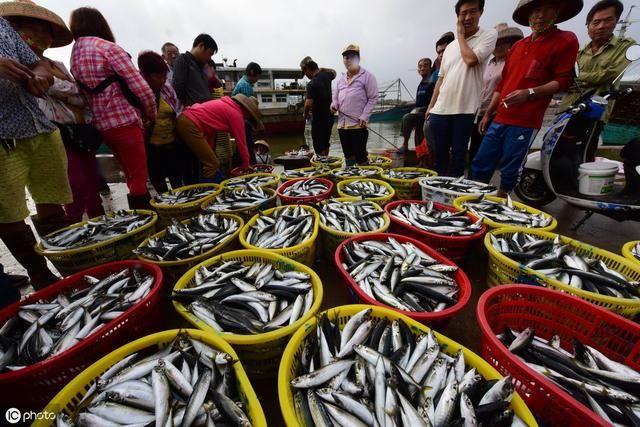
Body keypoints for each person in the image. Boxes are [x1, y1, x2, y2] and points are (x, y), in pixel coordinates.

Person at [4, 2, 105, 225]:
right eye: (33, 30)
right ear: (17, 31)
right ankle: (72, 232)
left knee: (91, 184)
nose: (40, 36)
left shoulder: (56, 63)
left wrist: (52, 84)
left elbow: (78, 93)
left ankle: (103, 229)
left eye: (44, 31)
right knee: (73, 187)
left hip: (77, 132)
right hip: (49, 131)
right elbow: (60, 90)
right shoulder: (14, 63)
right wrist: (56, 86)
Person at [471, 0, 581, 197]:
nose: (540, 15)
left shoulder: (566, 40)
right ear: (529, 16)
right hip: (499, 117)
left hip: (525, 122)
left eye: (547, 8)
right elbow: (502, 85)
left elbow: (563, 81)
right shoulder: (518, 47)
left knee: (510, 169)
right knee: (481, 162)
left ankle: (501, 202)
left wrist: (530, 93)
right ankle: (474, 200)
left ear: (556, 12)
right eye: (536, 10)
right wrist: (488, 114)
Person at [0, 8, 72, 289]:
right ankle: (40, 274)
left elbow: (37, 63)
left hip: (39, 128)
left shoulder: (3, 26)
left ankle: (67, 265)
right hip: (3, 137)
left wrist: (40, 76)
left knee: (52, 201)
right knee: (9, 213)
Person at [69, 7, 157, 209]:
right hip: (125, 122)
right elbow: (141, 87)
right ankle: (143, 219)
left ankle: (139, 217)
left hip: (103, 127)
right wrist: (152, 113)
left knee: (129, 173)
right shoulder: (108, 48)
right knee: (138, 176)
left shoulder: (75, 54)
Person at [426, 0, 497, 177]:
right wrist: (430, 107)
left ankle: (453, 196)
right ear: (457, 16)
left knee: (458, 157)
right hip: (440, 111)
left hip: (464, 110)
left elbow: (471, 60)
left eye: (472, 11)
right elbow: (441, 80)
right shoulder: (450, 47)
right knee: (440, 157)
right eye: (463, 13)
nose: (467, 17)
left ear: (481, 12)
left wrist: (461, 35)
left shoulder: (488, 35)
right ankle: (438, 194)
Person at [559, 0, 635, 123]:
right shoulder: (579, 53)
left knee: (587, 142)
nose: (601, 26)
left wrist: (577, 77)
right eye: (596, 22)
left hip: (595, 113)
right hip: (567, 111)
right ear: (588, 26)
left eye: (608, 20)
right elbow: (567, 80)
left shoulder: (626, 47)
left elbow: (609, 75)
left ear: (616, 21)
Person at [469, 23, 523, 165]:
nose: (497, 46)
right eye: (495, 43)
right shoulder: (489, 63)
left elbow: (502, 89)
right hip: (479, 112)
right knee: (474, 150)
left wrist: (488, 113)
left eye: (501, 43)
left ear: (509, 44)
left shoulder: (512, 63)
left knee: (487, 153)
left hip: (496, 113)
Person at [175, 94, 260, 181]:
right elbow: (242, 142)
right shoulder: (236, 114)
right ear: (246, 110)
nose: (247, 118)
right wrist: (246, 164)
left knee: (203, 162)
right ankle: (207, 189)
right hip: (190, 125)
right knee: (212, 164)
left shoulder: (226, 105)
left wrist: (210, 151)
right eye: (249, 116)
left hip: (185, 120)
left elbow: (211, 131)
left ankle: (203, 184)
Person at [138, 51, 184, 194]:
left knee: (177, 179)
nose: (163, 80)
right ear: (145, 75)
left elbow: (177, 110)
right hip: (151, 147)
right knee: (158, 180)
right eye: (158, 76)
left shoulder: (167, 89)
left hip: (171, 143)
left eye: (164, 75)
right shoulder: (137, 93)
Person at [330, 44, 378, 167]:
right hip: (342, 125)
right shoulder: (340, 80)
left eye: (351, 57)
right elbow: (335, 99)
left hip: (358, 125)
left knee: (361, 156)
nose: (348, 60)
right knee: (348, 156)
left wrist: (364, 116)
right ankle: (351, 179)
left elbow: (373, 98)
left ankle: (365, 179)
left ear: (358, 59)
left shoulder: (367, 77)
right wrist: (334, 105)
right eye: (345, 57)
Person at [301, 56, 336, 156]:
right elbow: (334, 72)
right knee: (325, 143)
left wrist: (305, 114)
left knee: (318, 145)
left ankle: (322, 166)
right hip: (329, 117)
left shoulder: (311, 84)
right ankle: (326, 162)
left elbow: (308, 104)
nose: (305, 75)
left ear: (307, 69)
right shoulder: (327, 75)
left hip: (319, 119)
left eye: (304, 72)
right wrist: (324, 69)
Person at [172, 33, 217, 107]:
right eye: (210, 53)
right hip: (195, 113)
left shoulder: (202, 66)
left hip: (206, 110)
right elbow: (178, 90)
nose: (210, 57)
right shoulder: (183, 60)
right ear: (201, 46)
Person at [400, 57, 432, 154]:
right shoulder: (421, 85)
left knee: (406, 118)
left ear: (430, 68)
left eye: (425, 66)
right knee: (418, 138)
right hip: (419, 113)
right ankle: (422, 161)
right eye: (420, 66)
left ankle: (405, 144)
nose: (422, 68)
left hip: (427, 113)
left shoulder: (432, 84)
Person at [232, 62, 262, 164]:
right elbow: (248, 109)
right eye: (257, 77)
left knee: (242, 147)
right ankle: (249, 168)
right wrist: (256, 125)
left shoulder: (243, 83)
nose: (257, 80)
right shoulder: (245, 86)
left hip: (240, 121)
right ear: (252, 73)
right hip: (243, 122)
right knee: (247, 147)